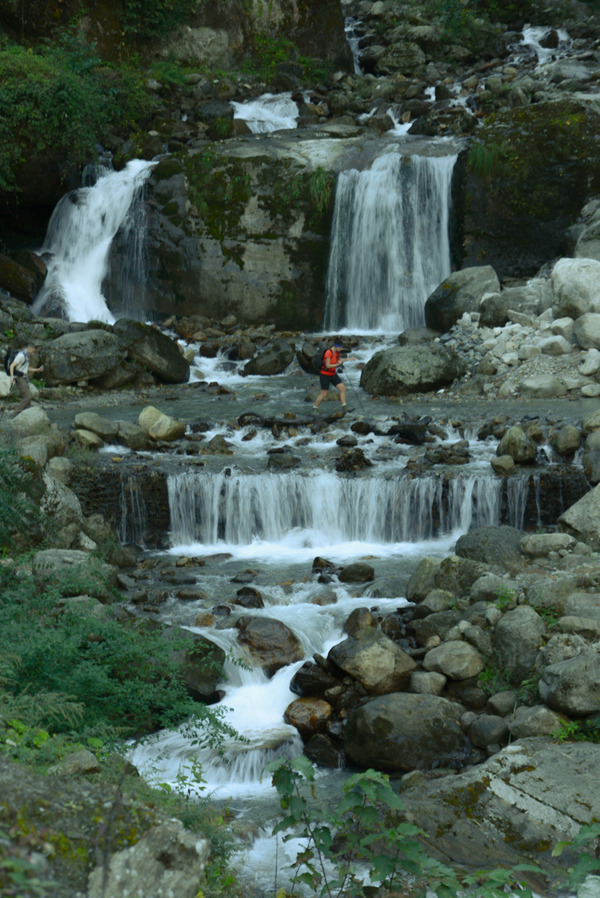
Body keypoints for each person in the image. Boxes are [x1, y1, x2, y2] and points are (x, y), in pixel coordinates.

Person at [313, 339, 356, 412]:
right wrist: (337, 364)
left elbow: (339, 360)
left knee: (342, 388)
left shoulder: (337, 352)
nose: (341, 349)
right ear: (336, 346)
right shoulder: (328, 353)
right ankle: (315, 408)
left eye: (342, 347)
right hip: (325, 375)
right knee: (324, 393)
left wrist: (349, 359)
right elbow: (328, 365)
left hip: (333, 374)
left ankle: (344, 407)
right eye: (340, 347)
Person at [9, 345, 44, 417]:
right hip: (20, 378)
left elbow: (27, 369)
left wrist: (37, 370)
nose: (33, 353)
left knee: (28, 401)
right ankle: (15, 415)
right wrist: (12, 377)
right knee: (27, 397)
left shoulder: (26, 356)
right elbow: (12, 366)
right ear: (28, 348)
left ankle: (27, 416)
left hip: (24, 379)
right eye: (33, 351)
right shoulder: (21, 355)